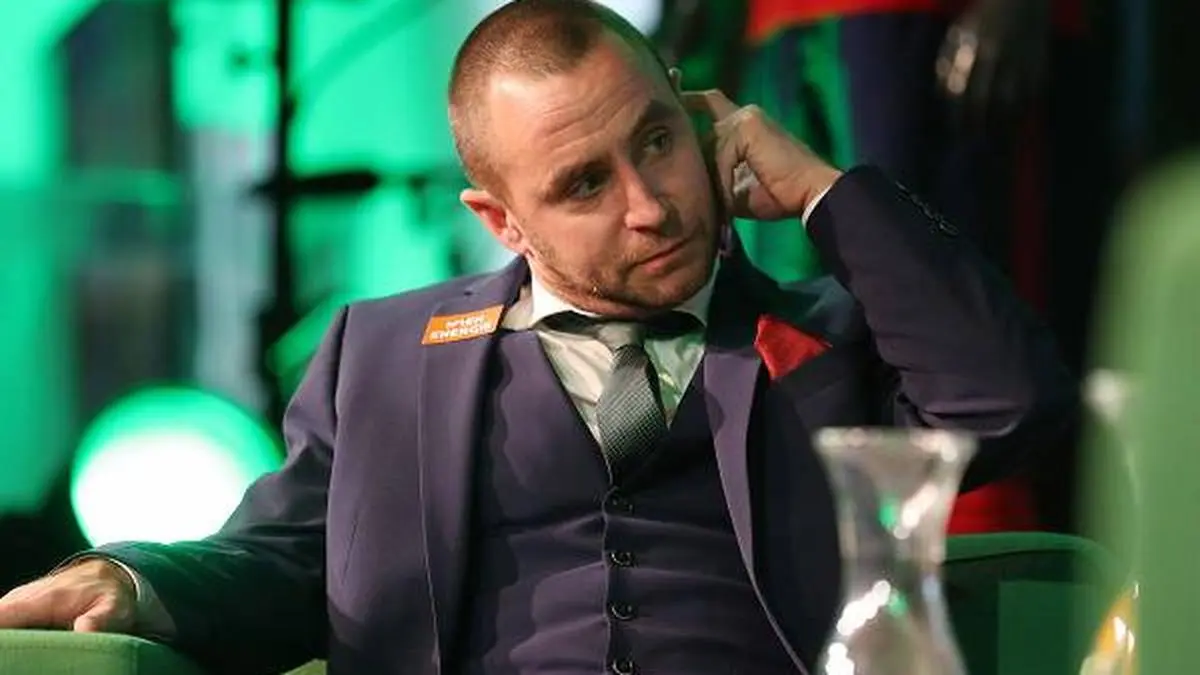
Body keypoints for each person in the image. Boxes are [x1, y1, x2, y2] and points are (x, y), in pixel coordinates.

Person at [0, 1, 1074, 673]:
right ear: (501, 219)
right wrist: (134, 582)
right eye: (583, 185)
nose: (649, 205)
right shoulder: (383, 356)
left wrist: (824, 195)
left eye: (659, 140)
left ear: (702, 118)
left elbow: (1013, 403)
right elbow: (284, 559)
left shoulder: (831, 336)